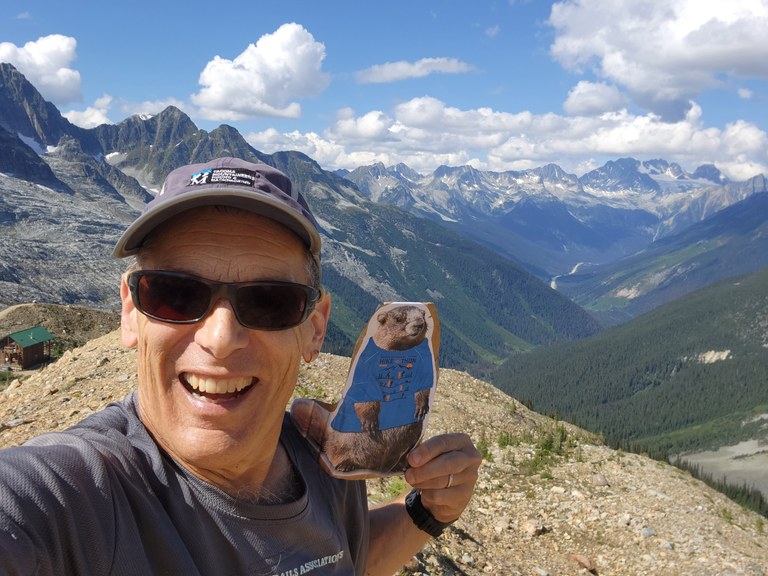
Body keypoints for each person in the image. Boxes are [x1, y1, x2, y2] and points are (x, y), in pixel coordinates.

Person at [0, 157, 481, 575]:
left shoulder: (330, 461)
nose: (220, 338)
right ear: (130, 311)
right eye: (174, 294)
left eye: (270, 301)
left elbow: (346, 555)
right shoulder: (75, 499)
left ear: (315, 327)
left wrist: (428, 511)